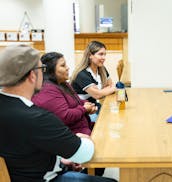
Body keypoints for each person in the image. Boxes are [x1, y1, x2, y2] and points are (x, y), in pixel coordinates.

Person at [0, 45, 116, 182]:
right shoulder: (37, 117)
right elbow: (85, 154)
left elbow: (23, 147)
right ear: (32, 75)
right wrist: (82, 139)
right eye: (42, 69)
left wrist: (59, 158)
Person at [32, 52, 96, 135]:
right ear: (51, 70)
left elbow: (76, 101)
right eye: (63, 66)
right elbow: (64, 116)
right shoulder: (47, 89)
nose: (67, 68)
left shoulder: (63, 83)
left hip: (84, 127)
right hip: (73, 135)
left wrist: (87, 104)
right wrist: (84, 109)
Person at [70, 41, 116, 120]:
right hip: (83, 110)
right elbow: (97, 95)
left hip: (95, 105)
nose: (104, 58)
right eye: (100, 54)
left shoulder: (102, 69)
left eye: (105, 54)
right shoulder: (81, 74)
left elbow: (110, 85)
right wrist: (110, 89)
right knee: (107, 119)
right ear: (90, 55)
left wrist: (104, 91)